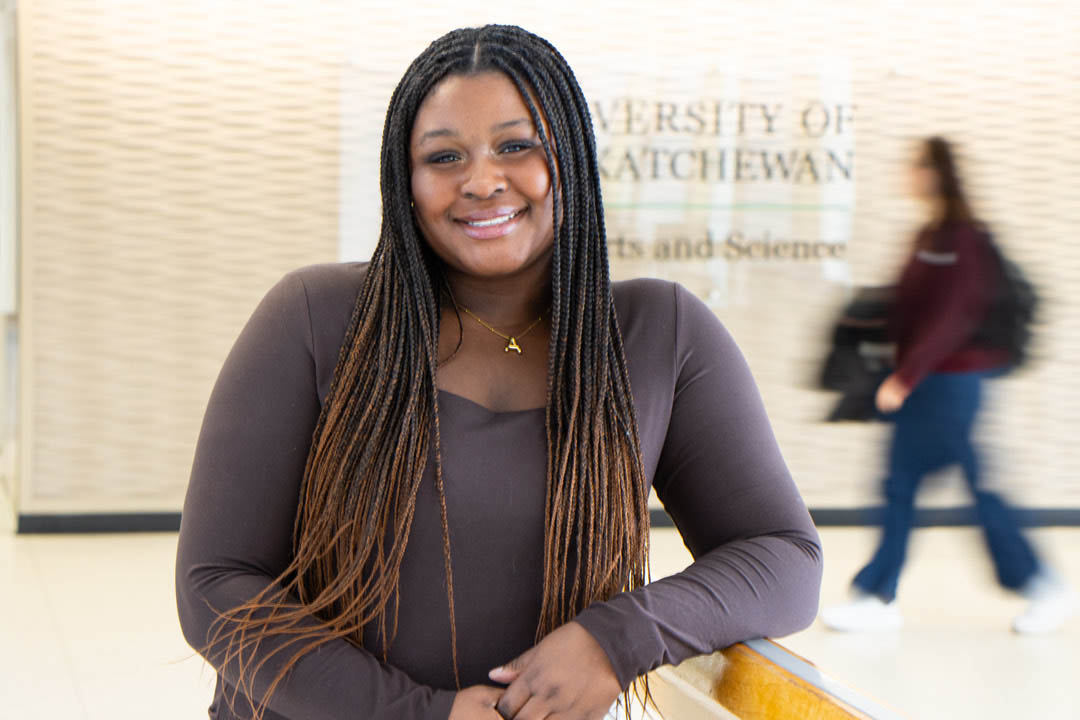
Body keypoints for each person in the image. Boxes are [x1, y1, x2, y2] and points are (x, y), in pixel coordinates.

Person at [176, 25, 822, 720]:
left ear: (569, 156)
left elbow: (783, 558)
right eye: (444, 156)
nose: (482, 181)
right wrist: (422, 713)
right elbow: (216, 586)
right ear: (407, 181)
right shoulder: (315, 318)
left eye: (516, 146)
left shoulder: (658, 334)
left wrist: (619, 637)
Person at [822, 137, 1074, 635]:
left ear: (936, 172)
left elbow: (953, 318)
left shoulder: (961, 239)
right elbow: (911, 309)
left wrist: (906, 375)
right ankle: (878, 595)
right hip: (930, 382)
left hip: (951, 383)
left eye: (915, 166)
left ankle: (1040, 585)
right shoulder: (929, 235)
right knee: (901, 487)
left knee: (967, 488)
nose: (908, 174)